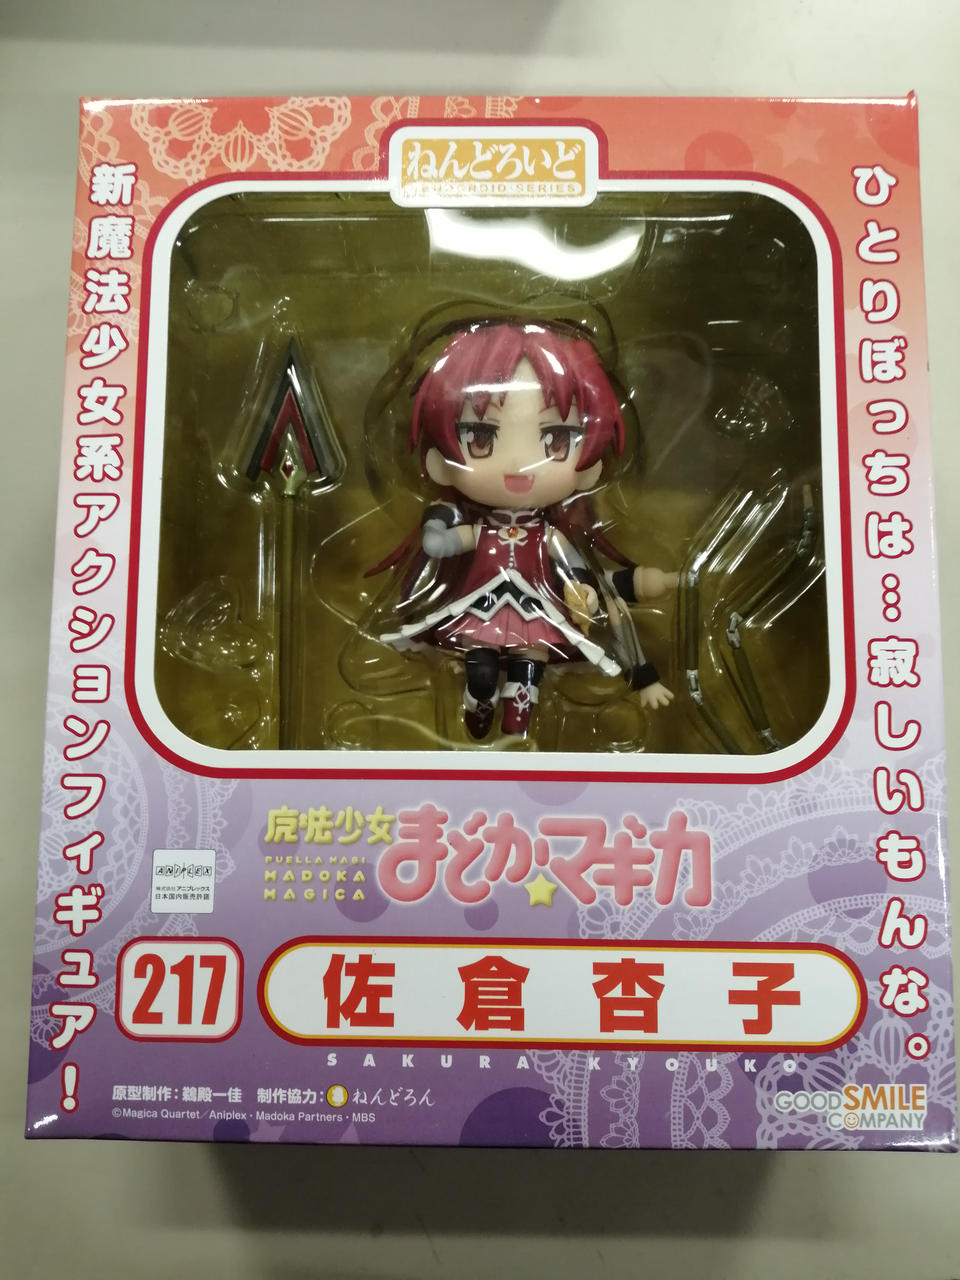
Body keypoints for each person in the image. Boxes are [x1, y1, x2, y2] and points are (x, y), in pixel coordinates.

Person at [378, 321, 675, 739]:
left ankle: (518, 719)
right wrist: (436, 531)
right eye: (481, 437)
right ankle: (479, 700)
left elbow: (576, 572)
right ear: (440, 460)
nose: (519, 465)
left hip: (537, 615)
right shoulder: (481, 531)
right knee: (481, 668)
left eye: (557, 441)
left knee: (528, 667)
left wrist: (584, 592)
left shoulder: (549, 537)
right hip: (482, 611)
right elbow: (445, 544)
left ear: (588, 468)